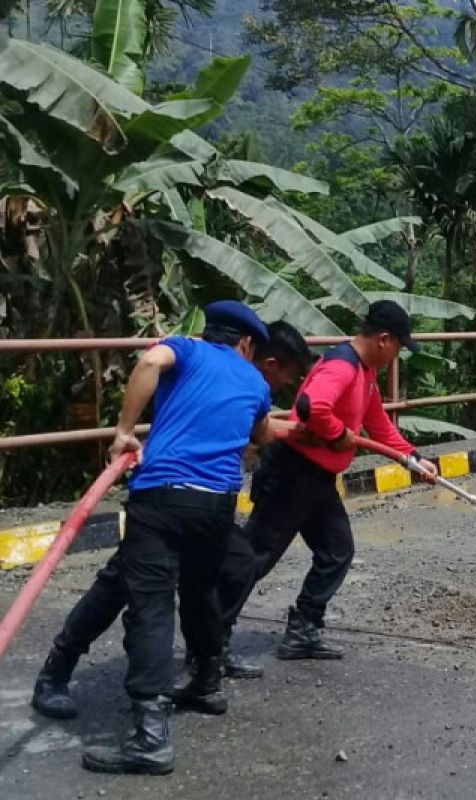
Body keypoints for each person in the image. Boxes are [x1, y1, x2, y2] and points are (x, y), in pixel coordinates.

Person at [30, 322, 315, 722]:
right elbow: (154, 363)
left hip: (203, 505)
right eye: (288, 372)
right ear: (249, 346)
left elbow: (261, 431)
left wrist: (309, 430)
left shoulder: (248, 382)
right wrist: (126, 432)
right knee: (127, 587)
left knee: (222, 572)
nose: (290, 382)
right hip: (171, 496)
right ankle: (58, 673)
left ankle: (204, 676)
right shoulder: (198, 356)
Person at [79, 301, 274, 775]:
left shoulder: (185, 349)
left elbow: (148, 362)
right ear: (246, 344)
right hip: (217, 506)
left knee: (150, 603)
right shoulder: (256, 382)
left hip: (162, 496)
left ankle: (149, 737)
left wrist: (125, 431)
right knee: (200, 591)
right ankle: (207, 682)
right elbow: (262, 434)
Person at [218, 300, 438, 669]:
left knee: (337, 551)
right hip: (291, 474)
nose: (397, 355)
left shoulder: (364, 374)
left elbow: (379, 426)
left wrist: (413, 457)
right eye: (399, 346)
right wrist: (337, 434)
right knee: (254, 558)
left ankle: (303, 628)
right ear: (383, 340)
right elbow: (310, 407)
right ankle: (211, 642)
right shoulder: (342, 365)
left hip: (318, 480)